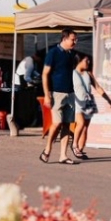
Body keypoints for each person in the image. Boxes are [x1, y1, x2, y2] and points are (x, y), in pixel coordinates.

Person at [41, 29, 79, 165]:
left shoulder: (71, 54)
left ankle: (63, 155)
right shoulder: (53, 53)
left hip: (70, 93)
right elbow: (45, 74)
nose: (75, 42)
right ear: (64, 39)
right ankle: (47, 149)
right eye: (72, 39)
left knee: (67, 125)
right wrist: (47, 94)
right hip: (56, 93)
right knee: (56, 123)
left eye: (76, 39)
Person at [70, 51, 111, 160]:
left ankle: (80, 149)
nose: (88, 62)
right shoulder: (73, 74)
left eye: (88, 60)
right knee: (80, 122)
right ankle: (74, 144)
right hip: (77, 102)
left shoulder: (88, 74)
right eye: (86, 60)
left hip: (88, 102)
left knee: (85, 127)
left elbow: (97, 88)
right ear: (79, 61)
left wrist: (108, 100)